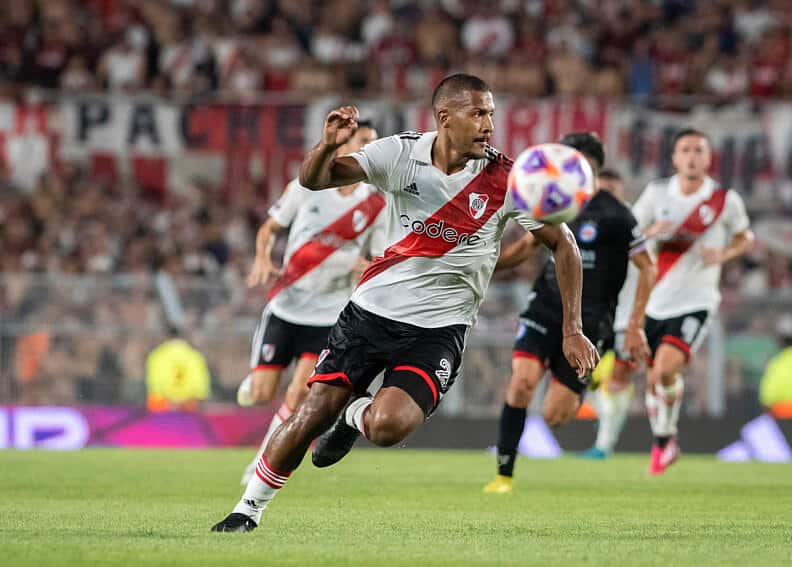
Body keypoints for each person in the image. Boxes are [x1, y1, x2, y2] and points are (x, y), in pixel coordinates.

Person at [212, 73, 599, 532]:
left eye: (491, 114)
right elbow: (316, 179)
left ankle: (353, 417)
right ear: (445, 118)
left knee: (388, 426)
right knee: (312, 412)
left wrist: (571, 328)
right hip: (371, 313)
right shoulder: (399, 153)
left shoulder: (509, 179)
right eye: (478, 113)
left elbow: (565, 245)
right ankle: (246, 511)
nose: (488, 125)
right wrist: (327, 145)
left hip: (439, 330)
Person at [483, 139, 656, 494]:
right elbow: (528, 247)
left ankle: (585, 385)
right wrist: (484, 265)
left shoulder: (618, 214)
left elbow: (647, 268)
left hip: (592, 320)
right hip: (546, 306)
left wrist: (635, 325)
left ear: (588, 167)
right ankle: (504, 474)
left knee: (555, 416)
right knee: (521, 383)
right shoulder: (552, 204)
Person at [235, 120, 386, 485]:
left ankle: (262, 461)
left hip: (328, 316)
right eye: (364, 141)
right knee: (261, 394)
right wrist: (261, 256)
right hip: (287, 307)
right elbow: (270, 228)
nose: (371, 149)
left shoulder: (376, 202)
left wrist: (366, 266)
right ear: (345, 144)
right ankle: (254, 381)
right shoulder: (307, 187)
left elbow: (379, 256)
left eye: (374, 143)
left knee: (299, 394)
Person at [632, 128, 754, 475]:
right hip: (654, 301)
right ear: (674, 157)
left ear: (708, 157)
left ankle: (662, 441)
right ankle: (665, 440)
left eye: (699, 150)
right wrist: (650, 234)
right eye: (685, 149)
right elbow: (628, 231)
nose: (692, 156)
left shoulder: (723, 200)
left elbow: (747, 237)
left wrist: (726, 252)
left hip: (696, 300)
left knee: (667, 368)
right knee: (655, 379)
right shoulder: (656, 194)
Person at [580, 171, 645, 459]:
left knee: (618, 378)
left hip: (627, 315)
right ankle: (606, 437)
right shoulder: (585, 219)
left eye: (611, 189)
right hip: (594, 313)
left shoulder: (634, 219)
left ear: (622, 190)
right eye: (601, 189)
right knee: (588, 377)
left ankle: (604, 445)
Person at [145, 326, 211, 412]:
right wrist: (182, 403)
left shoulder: (156, 355)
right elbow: (201, 390)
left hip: (164, 406)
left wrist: (170, 404)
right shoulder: (196, 356)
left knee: (153, 402)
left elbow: (154, 388)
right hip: (189, 406)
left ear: (166, 337)